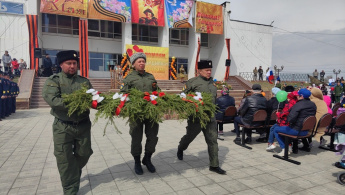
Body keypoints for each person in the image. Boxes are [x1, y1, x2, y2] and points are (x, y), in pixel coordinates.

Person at [42, 50, 93, 195]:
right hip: (62, 126)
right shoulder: (54, 80)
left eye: (74, 63)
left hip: (83, 125)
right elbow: (52, 100)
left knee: (84, 153)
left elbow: (92, 97)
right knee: (64, 159)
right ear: (61, 64)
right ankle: (70, 190)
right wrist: (76, 103)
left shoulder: (84, 81)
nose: (72, 66)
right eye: (68, 63)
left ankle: (73, 173)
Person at [177, 60, 226, 175]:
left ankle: (214, 165)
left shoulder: (213, 83)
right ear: (199, 71)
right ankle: (181, 147)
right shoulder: (192, 82)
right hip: (196, 117)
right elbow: (182, 96)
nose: (209, 72)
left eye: (210, 70)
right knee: (189, 137)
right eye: (206, 70)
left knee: (213, 141)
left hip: (210, 118)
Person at [120, 52, 160, 175]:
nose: (142, 63)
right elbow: (123, 94)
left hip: (151, 112)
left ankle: (147, 158)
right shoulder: (129, 78)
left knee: (153, 137)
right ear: (133, 64)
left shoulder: (150, 76)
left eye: (143, 61)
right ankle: (137, 161)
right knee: (136, 138)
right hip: (136, 113)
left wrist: (159, 97)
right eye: (139, 62)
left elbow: (157, 90)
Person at [273, 88, 316, 156]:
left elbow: (290, 119)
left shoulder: (298, 105)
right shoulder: (313, 104)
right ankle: (289, 147)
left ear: (301, 96)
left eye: (298, 95)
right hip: (306, 130)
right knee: (284, 128)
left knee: (275, 129)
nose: (296, 96)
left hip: (297, 130)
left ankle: (284, 149)